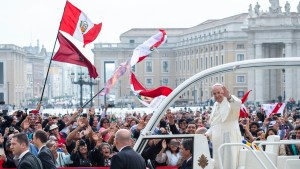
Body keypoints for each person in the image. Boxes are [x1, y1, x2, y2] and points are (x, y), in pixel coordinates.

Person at [205, 84, 242, 169]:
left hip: (229, 139)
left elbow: (237, 104)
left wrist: (228, 96)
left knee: (229, 163)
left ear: (224, 92)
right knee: (218, 163)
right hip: (217, 141)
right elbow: (215, 124)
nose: (217, 95)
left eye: (219, 92)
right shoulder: (215, 105)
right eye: (214, 93)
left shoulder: (230, 101)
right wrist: (207, 134)